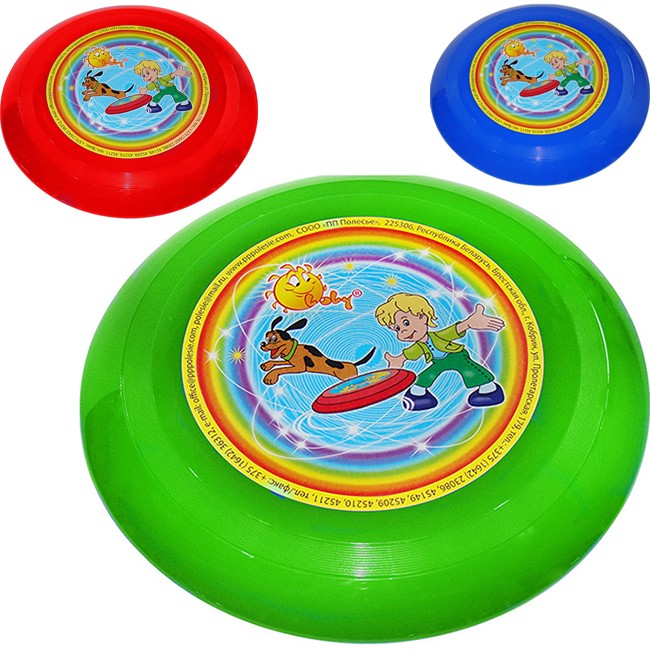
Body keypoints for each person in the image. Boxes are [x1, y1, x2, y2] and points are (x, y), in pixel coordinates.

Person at [374, 293, 505, 411]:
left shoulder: (438, 336)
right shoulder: (419, 345)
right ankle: (418, 394)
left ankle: (489, 389)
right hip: (438, 362)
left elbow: (454, 330)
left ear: (423, 317)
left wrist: (468, 323)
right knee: (426, 376)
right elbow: (409, 353)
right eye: (397, 328)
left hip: (456, 356)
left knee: (470, 371)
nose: (402, 331)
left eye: (406, 323)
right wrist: (398, 359)